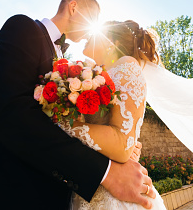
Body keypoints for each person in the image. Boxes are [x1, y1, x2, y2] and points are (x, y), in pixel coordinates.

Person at [0, 0, 154, 210]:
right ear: (73, 8)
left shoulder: (70, 65)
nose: (91, 29)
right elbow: (12, 115)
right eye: (92, 19)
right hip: (5, 192)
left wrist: (122, 143)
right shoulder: (23, 28)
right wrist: (104, 172)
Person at [58, 20, 167, 210]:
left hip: (115, 195)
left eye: (96, 33)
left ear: (112, 43)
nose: (88, 35)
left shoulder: (126, 66)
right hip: (89, 183)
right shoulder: (93, 72)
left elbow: (123, 144)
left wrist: (63, 126)